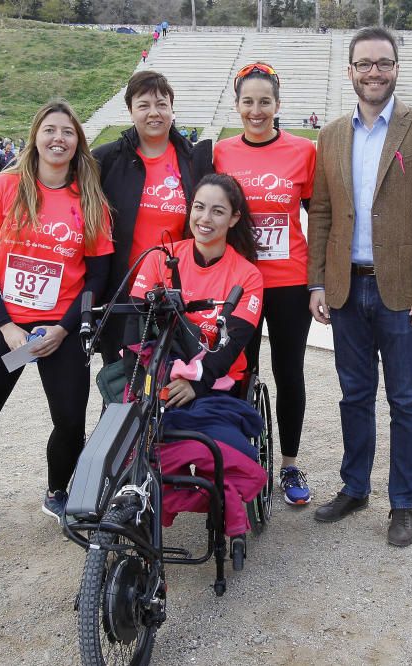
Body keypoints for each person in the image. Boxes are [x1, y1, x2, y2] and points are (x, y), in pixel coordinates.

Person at [0, 100, 114, 543]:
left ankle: (57, 493)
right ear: (35, 136)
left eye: (67, 132)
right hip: (4, 327)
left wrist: (66, 328)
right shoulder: (6, 187)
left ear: (78, 143)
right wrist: (7, 324)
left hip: (59, 331)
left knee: (70, 421)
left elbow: (99, 276)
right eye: (49, 130)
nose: (58, 139)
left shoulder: (89, 198)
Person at [307, 28, 412, 547]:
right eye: (364, 64)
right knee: (354, 395)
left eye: (383, 63)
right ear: (349, 71)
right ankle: (355, 487)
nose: (374, 72)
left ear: (396, 68)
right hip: (346, 288)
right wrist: (317, 283)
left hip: (403, 292)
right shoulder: (330, 136)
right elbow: (323, 212)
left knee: (406, 400)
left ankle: (403, 502)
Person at [126, 173, 265, 537]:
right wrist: (167, 372)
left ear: (234, 218)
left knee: (222, 450)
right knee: (125, 439)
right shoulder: (162, 258)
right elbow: (136, 325)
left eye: (218, 211)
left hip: (214, 385)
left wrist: (198, 382)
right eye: (199, 207)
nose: (205, 218)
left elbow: (233, 344)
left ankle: (211, 497)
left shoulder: (247, 275)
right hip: (160, 373)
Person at [214, 62, 317, 506]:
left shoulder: (303, 152)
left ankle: (290, 465)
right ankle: (237, 460)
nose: (257, 111)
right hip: (239, 284)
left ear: (278, 104)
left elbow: (323, 217)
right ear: (237, 105)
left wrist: (320, 283)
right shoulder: (220, 153)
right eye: (248, 102)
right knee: (238, 370)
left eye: (265, 102)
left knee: (288, 372)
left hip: (289, 280)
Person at [92, 70, 214, 365]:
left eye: (161, 104)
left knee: (174, 382)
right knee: (123, 386)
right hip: (122, 293)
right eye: (143, 105)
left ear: (172, 108)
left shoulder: (194, 159)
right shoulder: (106, 159)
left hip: (176, 296)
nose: (154, 113)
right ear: (131, 110)